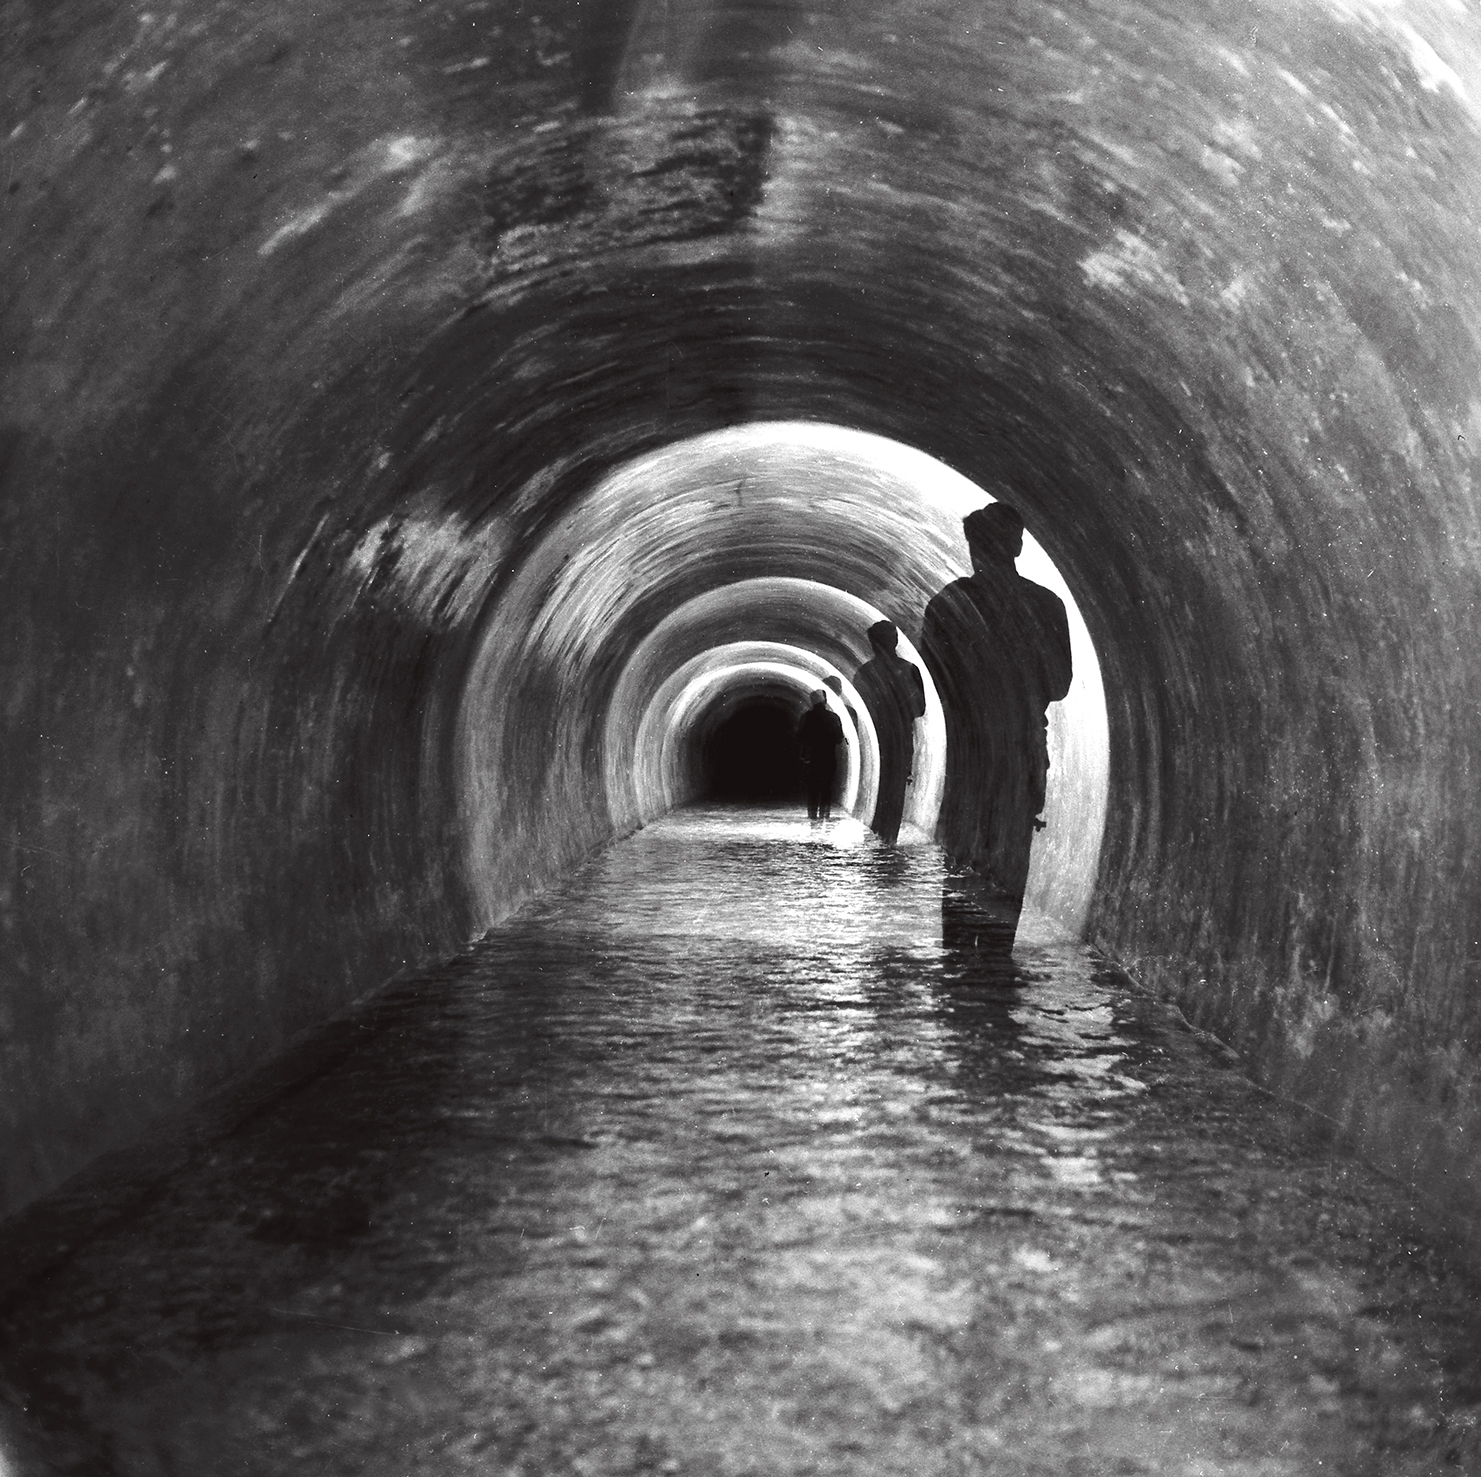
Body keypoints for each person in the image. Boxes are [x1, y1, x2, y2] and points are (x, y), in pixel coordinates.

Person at [920, 503, 1072, 950]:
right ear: (1018, 545)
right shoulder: (1046, 604)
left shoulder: (948, 602)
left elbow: (938, 681)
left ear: (973, 547)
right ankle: (996, 962)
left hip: (971, 751)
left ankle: (958, 963)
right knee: (1009, 858)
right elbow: (1059, 685)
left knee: (963, 855)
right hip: (1022, 747)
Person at [852, 620, 926, 845]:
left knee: (881, 787)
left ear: (873, 644)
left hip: (878, 739)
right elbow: (920, 708)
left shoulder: (865, 672)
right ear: (895, 641)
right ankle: (889, 840)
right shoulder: (910, 669)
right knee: (896, 790)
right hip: (902, 738)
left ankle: (880, 839)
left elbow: (861, 710)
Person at [796, 689, 844, 822]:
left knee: (813, 789)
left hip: (812, 758)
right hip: (829, 757)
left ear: (812, 702)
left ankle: (813, 818)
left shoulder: (806, 717)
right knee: (826, 788)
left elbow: (800, 737)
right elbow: (839, 739)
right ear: (825, 701)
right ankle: (825, 817)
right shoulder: (834, 717)